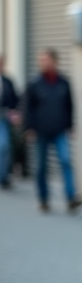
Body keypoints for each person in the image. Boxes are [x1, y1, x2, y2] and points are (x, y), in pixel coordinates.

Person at [24, 49, 82, 213]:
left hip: (60, 130)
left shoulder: (64, 83)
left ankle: (71, 198)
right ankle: (43, 199)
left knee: (65, 160)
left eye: (46, 60)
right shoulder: (34, 84)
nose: (43, 63)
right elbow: (28, 108)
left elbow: (70, 106)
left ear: (54, 61)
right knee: (41, 167)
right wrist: (29, 128)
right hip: (41, 130)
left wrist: (71, 125)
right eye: (41, 60)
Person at [0, 55, 18, 189]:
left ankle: (3, 176)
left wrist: (14, 112)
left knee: (4, 146)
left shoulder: (7, 82)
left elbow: (14, 100)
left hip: (3, 119)